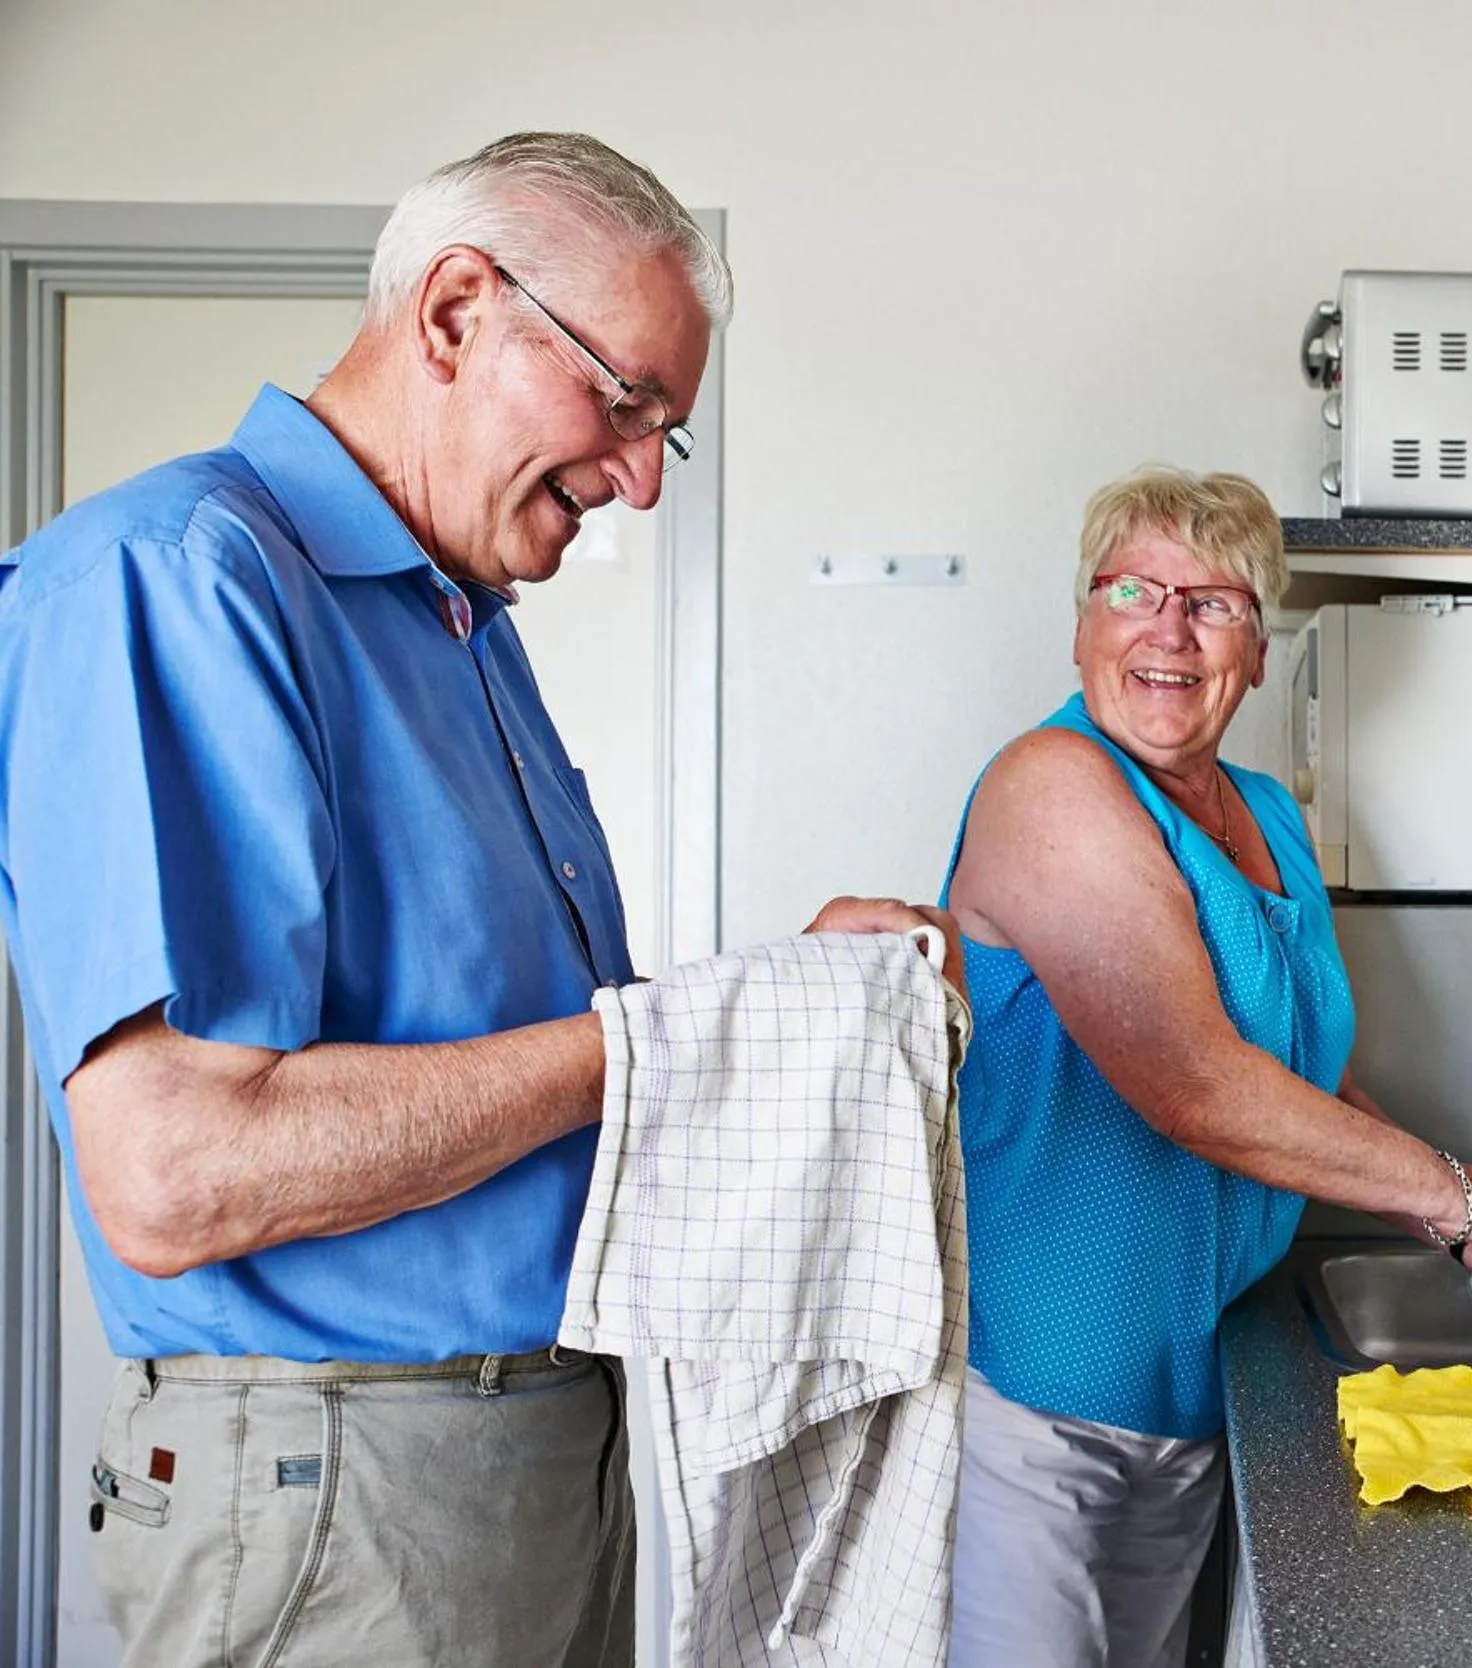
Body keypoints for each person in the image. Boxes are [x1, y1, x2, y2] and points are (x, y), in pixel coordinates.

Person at [0, 133, 954, 1666]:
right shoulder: (173, 576)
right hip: (345, 1480)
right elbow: (177, 1171)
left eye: (668, 433)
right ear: (456, 312)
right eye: (624, 402)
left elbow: (528, 1057)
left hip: (536, 1436)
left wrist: (782, 999)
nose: (642, 477)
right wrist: (681, 1041)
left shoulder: (465, 625)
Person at [940, 466, 1472, 1668]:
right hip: (1042, 1409)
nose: (1170, 630)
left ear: (1258, 652)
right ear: (1081, 626)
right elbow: (1196, 1087)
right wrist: (1459, 1199)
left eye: (1214, 604)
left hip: (1191, 1391)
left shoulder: (1268, 815)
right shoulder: (1051, 785)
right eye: (1133, 592)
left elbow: (1301, 1075)